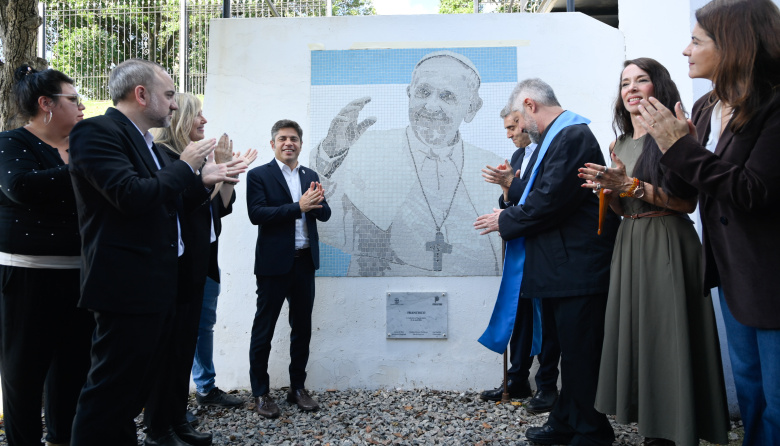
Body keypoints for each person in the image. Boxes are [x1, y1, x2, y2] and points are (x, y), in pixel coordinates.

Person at [68, 59, 242, 446]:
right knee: (108, 395)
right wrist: (187, 167)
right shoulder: (95, 133)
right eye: (168, 95)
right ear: (141, 94)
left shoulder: (145, 142)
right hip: (126, 288)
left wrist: (205, 181)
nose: (175, 105)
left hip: (155, 288)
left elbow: (168, 207)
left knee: (129, 395)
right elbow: (130, 197)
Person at [636, 1, 780, 444]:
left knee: (777, 401)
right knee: (752, 393)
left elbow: (754, 191)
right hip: (732, 274)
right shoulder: (704, 107)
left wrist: (683, 149)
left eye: (697, 41)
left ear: (735, 45)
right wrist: (665, 148)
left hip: (771, 277)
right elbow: (691, 190)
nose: (685, 51)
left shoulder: (774, 106)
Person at [579, 58, 729, 446]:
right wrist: (607, 193)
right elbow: (620, 208)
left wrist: (632, 186)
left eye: (641, 81)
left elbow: (687, 203)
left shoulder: (674, 134)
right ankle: (653, 425)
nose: (630, 88)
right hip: (630, 242)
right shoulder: (618, 143)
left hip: (667, 241)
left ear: (657, 87)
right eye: (625, 82)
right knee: (642, 336)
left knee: (668, 335)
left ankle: (677, 429)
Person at [474, 78, 619, 446]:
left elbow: (551, 201)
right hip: (560, 268)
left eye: (520, 120)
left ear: (530, 104)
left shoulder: (571, 136)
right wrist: (511, 185)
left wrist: (503, 220)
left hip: (578, 267)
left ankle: (593, 431)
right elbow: (538, 194)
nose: (520, 128)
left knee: (581, 353)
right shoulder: (553, 139)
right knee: (570, 353)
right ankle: (567, 420)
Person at [310, 50, 502, 276]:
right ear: (409, 94)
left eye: (447, 96)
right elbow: (326, 230)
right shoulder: (365, 147)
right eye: (424, 92)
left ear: (471, 108)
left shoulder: (493, 168)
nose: (431, 106)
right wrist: (331, 154)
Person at [0, 65, 94, 446]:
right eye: (73, 100)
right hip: (26, 278)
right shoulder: (11, 143)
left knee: (72, 370)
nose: (82, 107)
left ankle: (62, 439)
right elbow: (21, 187)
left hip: (79, 276)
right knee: (23, 374)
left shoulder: (80, 146)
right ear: (46, 105)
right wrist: (83, 170)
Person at [154, 92, 257, 413]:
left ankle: (205, 387)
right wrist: (216, 173)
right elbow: (184, 204)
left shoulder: (200, 159)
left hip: (206, 258)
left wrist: (227, 174)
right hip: (180, 262)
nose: (204, 121)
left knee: (202, 325)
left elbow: (218, 208)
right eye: (197, 114)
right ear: (181, 119)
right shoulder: (164, 156)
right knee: (177, 331)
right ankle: (169, 404)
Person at [478, 105, 561, 415]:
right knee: (521, 313)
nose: (509, 134)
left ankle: (548, 385)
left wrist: (513, 184)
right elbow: (513, 200)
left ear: (528, 123)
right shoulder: (515, 158)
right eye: (506, 129)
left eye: (513, 127)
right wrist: (505, 188)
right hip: (520, 246)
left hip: (545, 247)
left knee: (548, 317)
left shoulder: (547, 153)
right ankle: (517, 379)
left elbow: (544, 199)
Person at [247, 119, 331, 419]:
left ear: (300, 143)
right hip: (273, 266)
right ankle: (260, 393)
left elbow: (325, 215)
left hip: (304, 263)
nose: (288, 143)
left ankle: (298, 388)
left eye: (294, 138)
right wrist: (299, 206)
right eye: (282, 138)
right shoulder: (259, 175)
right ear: (273, 144)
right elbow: (257, 214)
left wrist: (317, 202)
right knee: (264, 329)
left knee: (302, 328)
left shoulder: (310, 175)